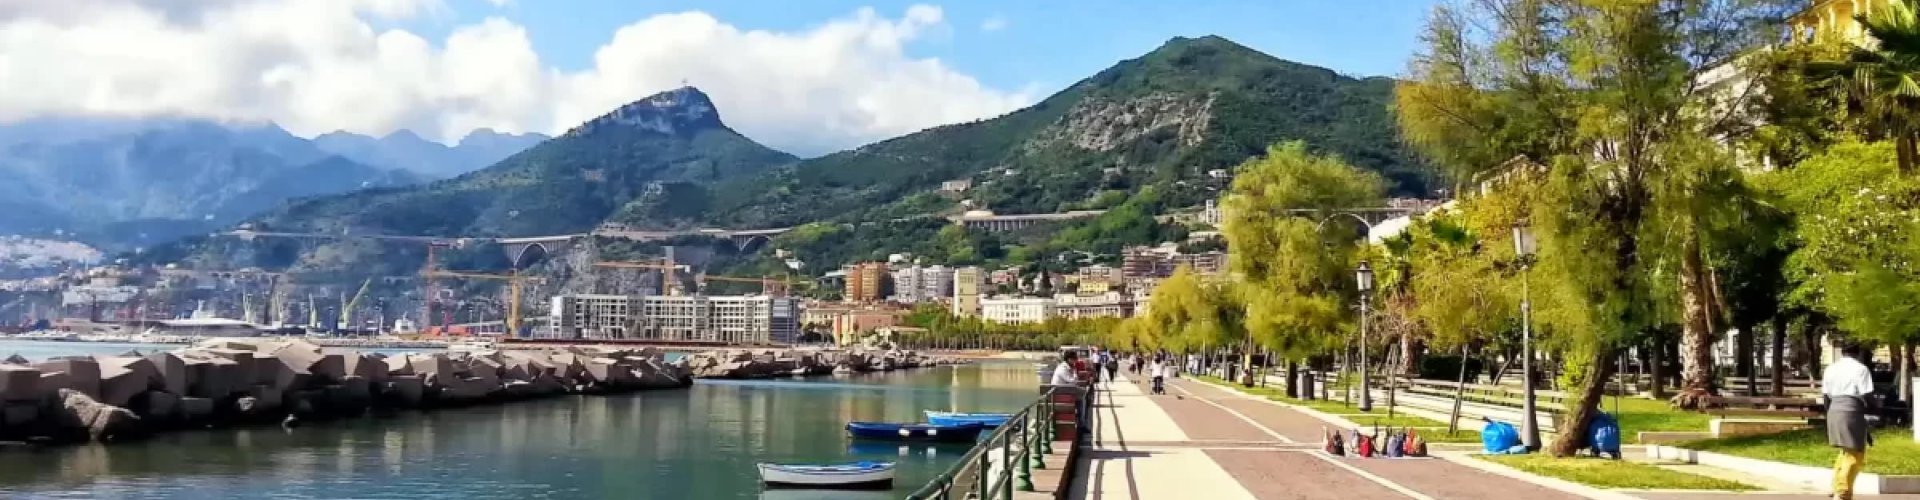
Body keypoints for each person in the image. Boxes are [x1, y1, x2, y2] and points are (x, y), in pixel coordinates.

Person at [1823, 341, 1876, 500]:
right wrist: (1874, 411)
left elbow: (1825, 395)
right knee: (1855, 452)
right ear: (1858, 353)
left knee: (1845, 451)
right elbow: (1867, 394)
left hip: (1833, 409)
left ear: (1842, 352)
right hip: (1851, 409)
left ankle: (1835, 486)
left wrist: (1829, 415)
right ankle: (1843, 491)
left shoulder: (1830, 368)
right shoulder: (1860, 369)